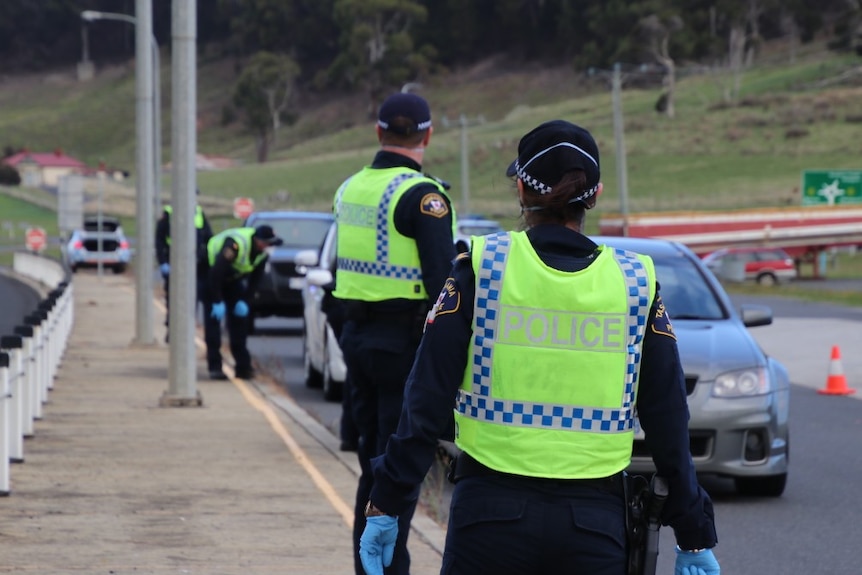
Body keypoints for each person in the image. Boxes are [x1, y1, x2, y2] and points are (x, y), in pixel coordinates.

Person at [358, 120, 720, 575]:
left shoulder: (483, 268)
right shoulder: (633, 283)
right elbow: (667, 414)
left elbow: (425, 399)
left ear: (522, 194)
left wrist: (387, 500)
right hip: (594, 526)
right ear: (595, 195)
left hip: (488, 520)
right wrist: (693, 530)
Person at [333, 91, 457, 575]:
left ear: (377, 132)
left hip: (358, 339)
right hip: (401, 346)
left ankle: (372, 568)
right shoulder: (423, 197)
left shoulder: (350, 188)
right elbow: (444, 287)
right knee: (398, 473)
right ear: (427, 134)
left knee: (374, 464)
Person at [155, 196, 226, 379]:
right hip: (177, 268)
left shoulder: (199, 214)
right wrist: (163, 262)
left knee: (211, 322)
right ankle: (181, 363)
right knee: (180, 313)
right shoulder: (168, 215)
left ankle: (215, 366)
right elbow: (160, 241)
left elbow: (210, 239)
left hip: (202, 269)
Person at [206, 224, 283, 380]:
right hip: (210, 274)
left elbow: (255, 281)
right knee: (213, 324)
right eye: (266, 243)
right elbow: (216, 273)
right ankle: (215, 367)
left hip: (233, 279)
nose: (267, 246)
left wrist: (245, 301)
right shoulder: (235, 245)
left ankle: (243, 367)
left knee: (240, 323)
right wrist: (217, 300)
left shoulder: (263, 253)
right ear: (257, 240)